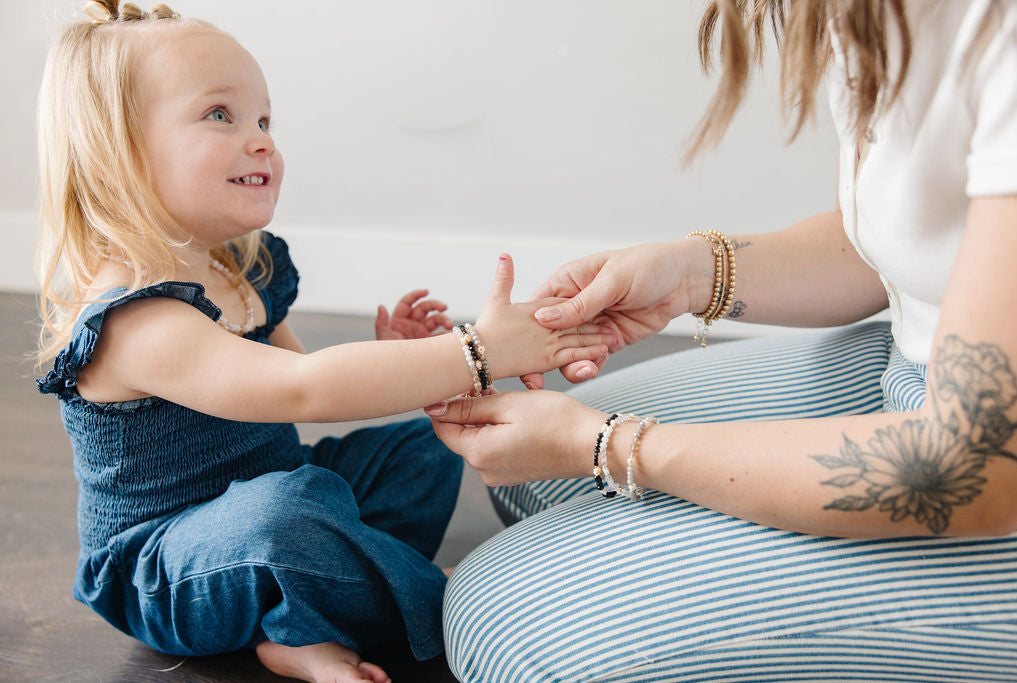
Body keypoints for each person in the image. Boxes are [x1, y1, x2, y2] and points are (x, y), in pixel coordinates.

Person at [428, 1, 1017, 680]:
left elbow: (971, 467)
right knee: (544, 486)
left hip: (990, 468)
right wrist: (690, 273)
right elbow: (921, 235)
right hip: (922, 368)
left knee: (509, 633)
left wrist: (609, 444)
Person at [33, 3, 614, 682]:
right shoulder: (134, 318)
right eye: (220, 114)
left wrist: (400, 357)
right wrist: (477, 351)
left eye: (264, 120)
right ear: (117, 153)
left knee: (427, 447)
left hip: (274, 490)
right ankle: (452, 599)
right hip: (172, 564)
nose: (260, 140)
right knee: (281, 519)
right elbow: (302, 390)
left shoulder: (237, 268)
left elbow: (298, 378)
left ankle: (314, 599)